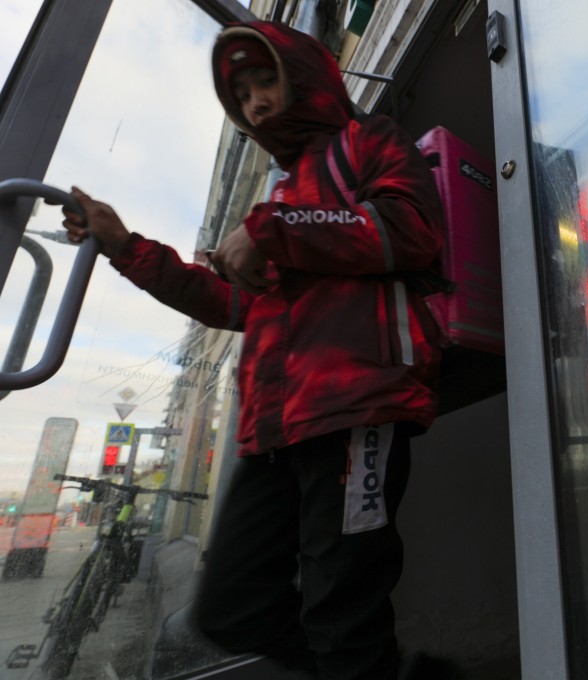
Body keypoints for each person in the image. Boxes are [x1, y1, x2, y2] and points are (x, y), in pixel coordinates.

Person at [59, 20, 445, 680]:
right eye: (241, 95)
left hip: (356, 411)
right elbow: (234, 305)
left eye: (266, 80)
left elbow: (411, 230)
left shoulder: (366, 141)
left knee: (341, 612)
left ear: (305, 76)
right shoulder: (281, 192)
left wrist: (271, 230)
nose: (255, 102)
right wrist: (124, 246)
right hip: (272, 431)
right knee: (229, 608)